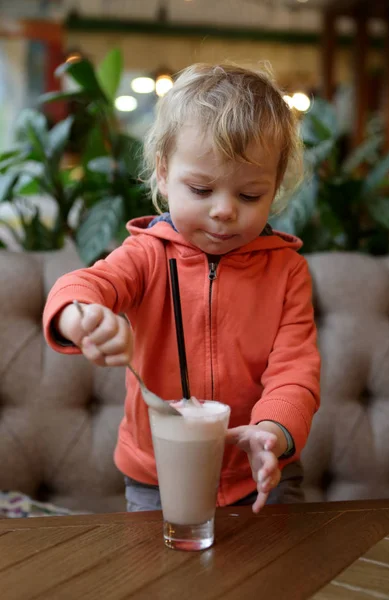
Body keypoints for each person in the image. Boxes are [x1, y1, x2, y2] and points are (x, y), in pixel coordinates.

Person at [43, 62, 320, 514]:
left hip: (260, 473)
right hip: (158, 475)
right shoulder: (145, 256)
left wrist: (274, 432)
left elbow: (296, 371)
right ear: (164, 172)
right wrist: (82, 317)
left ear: (275, 188)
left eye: (250, 195)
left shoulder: (287, 271)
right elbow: (84, 285)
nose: (225, 210)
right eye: (200, 188)